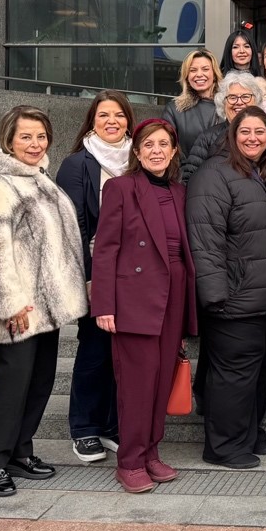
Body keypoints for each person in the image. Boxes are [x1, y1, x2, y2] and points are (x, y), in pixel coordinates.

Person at [0, 107, 87, 498]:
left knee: (39, 381)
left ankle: (21, 450)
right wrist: (9, 304)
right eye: (26, 137)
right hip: (17, 309)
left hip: (45, 306)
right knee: (13, 383)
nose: (35, 145)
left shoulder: (39, 179)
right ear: (9, 139)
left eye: (40, 137)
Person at [90, 118, 198, 492]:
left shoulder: (179, 192)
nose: (156, 151)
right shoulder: (121, 188)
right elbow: (105, 249)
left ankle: (151, 453)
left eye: (163, 145)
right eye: (149, 145)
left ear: (173, 151)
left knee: (161, 379)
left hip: (175, 293)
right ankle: (130, 461)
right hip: (134, 296)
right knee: (137, 383)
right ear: (137, 151)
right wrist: (104, 304)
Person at [188, 106, 266, 470]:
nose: (253, 138)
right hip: (233, 300)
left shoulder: (260, 172)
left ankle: (242, 438)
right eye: (245, 132)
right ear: (231, 135)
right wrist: (216, 296)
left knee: (248, 374)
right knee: (232, 377)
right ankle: (223, 447)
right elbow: (204, 240)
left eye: (260, 132)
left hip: (260, 298)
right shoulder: (215, 173)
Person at [55, 90, 135, 463]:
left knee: (123, 352)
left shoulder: (139, 157)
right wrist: (88, 278)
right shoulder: (78, 164)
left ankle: (111, 426)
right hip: (95, 270)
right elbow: (73, 225)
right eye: (104, 115)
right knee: (94, 351)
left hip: (135, 275)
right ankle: (85, 428)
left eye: (118, 115)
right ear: (92, 121)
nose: (112, 121)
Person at [181, 71, 266, 183]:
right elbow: (190, 178)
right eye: (232, 97)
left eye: (246, 97)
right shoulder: (208, 138)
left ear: (256, 101)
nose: (239, 102)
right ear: (223, 103)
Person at [164, 49, 224, 161]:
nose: (199, 74)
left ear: (214, 74)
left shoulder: (228, 105)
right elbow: (168, 146)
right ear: (187, 76)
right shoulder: (174, 110)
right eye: (193, 70)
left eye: (205, 69)